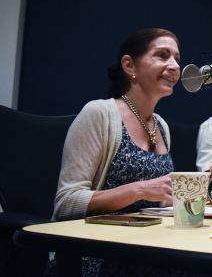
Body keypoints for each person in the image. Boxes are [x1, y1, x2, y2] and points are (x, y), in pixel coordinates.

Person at [53, 28, 180, 221]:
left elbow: (153, 203)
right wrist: (139, 189)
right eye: (162, 56)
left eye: (177, 59)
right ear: (129, 66)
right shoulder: (99, 113)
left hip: (148, 240)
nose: (174, 66)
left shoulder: (160, 124)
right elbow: (66, 203)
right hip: (97, 244)